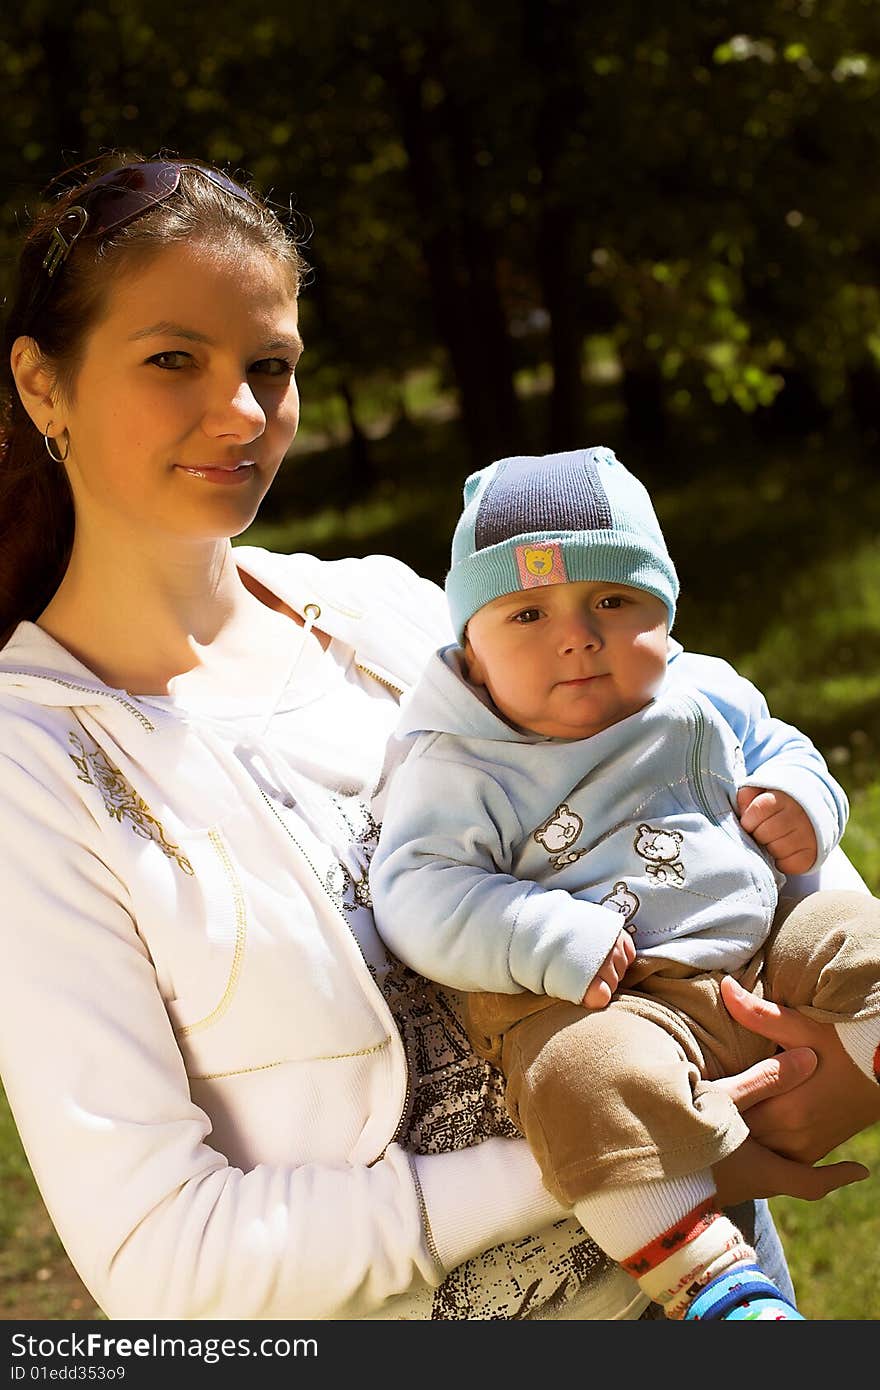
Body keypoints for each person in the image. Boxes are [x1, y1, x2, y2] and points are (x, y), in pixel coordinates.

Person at [0, 156, 869, 1325]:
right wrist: (645, 1143)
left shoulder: (397, 611)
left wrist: (847, 1042)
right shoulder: (34, 764)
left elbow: (703, 748)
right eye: (173, 360)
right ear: (41, 384)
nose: (244, 413)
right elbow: (167, 1261)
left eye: (271, 365)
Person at [370, 446, 880, 1320]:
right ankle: (715, 1285)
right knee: (577, 1080)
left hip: (759, 954)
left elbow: (784, 748)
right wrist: (541, 933)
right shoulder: (460, 762)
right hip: (612, 1003)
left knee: (859, 930)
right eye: (526, 613)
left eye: (611, 600)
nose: (576, 634)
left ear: (664, 606)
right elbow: (417, 890)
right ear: (472, 647)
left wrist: (803, 799)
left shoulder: (700, 691)